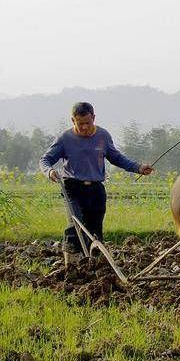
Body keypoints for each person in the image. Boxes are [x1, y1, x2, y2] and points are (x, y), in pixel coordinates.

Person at [39, 102, 153, 259]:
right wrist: (49, 171)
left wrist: (138, 168)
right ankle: (70, 265)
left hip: (96, 189)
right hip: (73, 188)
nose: (84, 127)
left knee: (95, 228)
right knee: (75, 224)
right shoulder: (65, 138)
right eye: (80, 124)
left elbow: (116, 157)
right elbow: (45, 160)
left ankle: (95, 264)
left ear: (93, 118)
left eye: (88, 122)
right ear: (73, 120)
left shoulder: (103, 136)